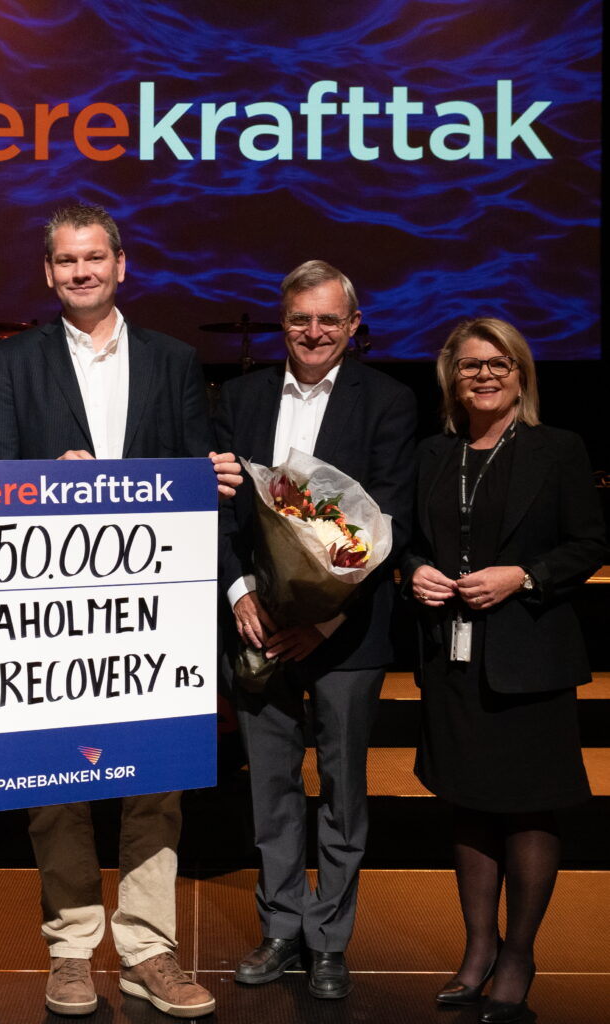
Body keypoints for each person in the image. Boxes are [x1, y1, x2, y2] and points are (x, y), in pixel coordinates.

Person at [0, 202, 240, 1018]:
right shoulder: (14, 364)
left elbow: (203, 496)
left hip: (154, 606)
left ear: (121, 265)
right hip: (51, 611)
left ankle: (148, 952)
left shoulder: (172, 360)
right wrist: (44, 483)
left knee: (154, 781)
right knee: (57, 780)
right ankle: (69, 951)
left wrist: (216, 482)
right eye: (66, 261)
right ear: (48, 273)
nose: (81, 271)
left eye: (94, 258)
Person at [215, 260, 416, 999]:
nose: (314, 332)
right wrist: (239, 591)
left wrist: (325, 617)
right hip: (257, 625)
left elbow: (388, 516)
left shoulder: (388, 402)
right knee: (269, 790)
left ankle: (328, 940)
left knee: (341, 791)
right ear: (282, 321)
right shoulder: (237, 398)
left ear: (352, 327)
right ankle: (280, 930)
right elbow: (221, 508)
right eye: (301, 318)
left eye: (329, 320)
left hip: (348, 633)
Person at [404, 317, 605, 1023]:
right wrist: (415, 573)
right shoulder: (433, 454)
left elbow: (587, 544)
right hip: (452, 660)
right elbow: (405, 541)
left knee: (526, 805)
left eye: (498, 364)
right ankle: (478, 949)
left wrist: (521, 576)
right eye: (469, 367)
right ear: (450, 379)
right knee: (466, 801)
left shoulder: (558, 449)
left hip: (529, 658)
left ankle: (518, 954)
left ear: (520, 373)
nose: (483, 376)